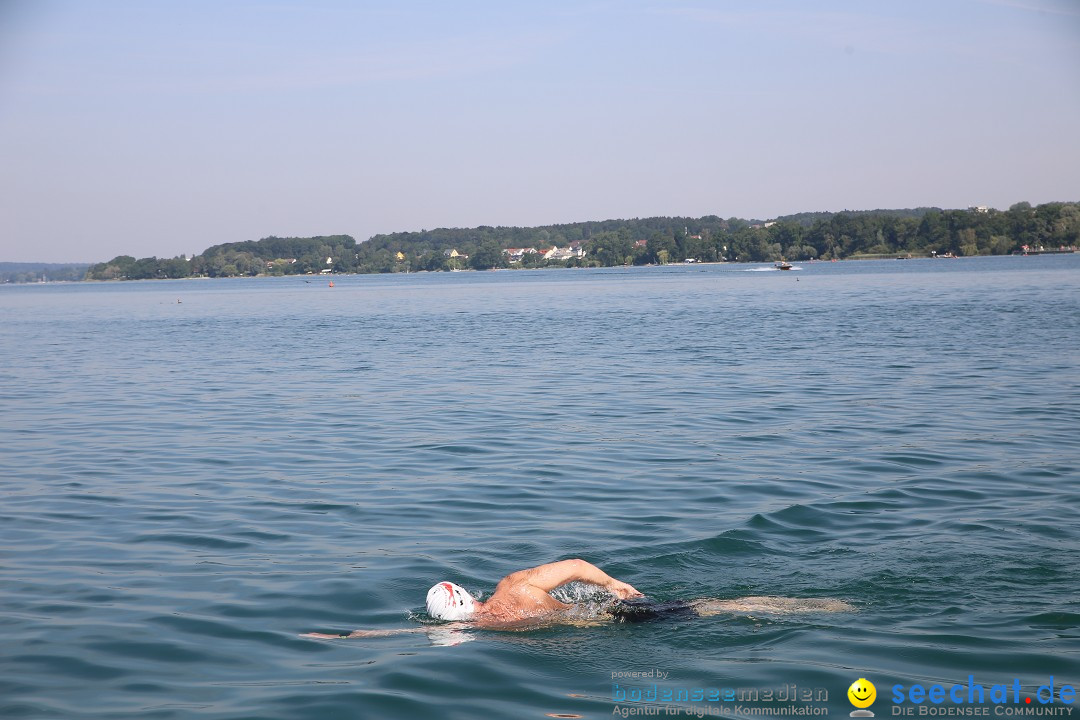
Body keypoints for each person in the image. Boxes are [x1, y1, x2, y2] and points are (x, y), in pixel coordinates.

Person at [301, 558, 852, 640]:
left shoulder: (480, 628)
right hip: (613, 611)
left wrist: (344, 637)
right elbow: (572, 564)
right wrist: (610, 585)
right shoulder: (514, 587)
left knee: (710, 611)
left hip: (613, 619)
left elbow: (403, 634)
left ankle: (810, 607)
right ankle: (810, 607)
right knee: (708, 607)